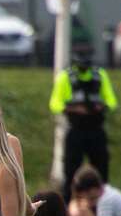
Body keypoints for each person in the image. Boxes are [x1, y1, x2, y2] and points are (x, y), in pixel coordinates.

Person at [49, 39, 117, 196]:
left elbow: (111, 100)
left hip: (96, 129)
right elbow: (55, 103)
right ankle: (67, 204)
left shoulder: (100, 75)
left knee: (102, 171)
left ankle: (102, 200)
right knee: (70, 172)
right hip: (76, 130)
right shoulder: (65, 77)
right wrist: (73, 108)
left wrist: (102, 106)